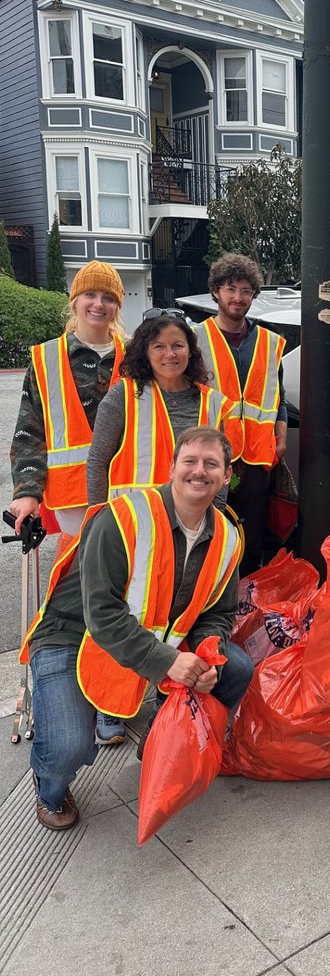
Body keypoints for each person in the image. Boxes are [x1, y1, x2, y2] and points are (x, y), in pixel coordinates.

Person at [22, 427, 253, 831]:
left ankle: (161, 740)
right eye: (191, 462)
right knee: (69, 747)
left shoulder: (228, 537)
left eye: (211, 464)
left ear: (225, 474)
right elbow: (102, 614)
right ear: (172, 467)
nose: (200, 472)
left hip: (151, 636)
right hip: (72, 635)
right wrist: (168, 662)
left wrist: (206, 653)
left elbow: (219, 611)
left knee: (235, 666)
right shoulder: (123, 517)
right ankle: (49, 788)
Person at [7, 260, 127, 746]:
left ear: (118, 306)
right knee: (82, 601)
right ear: (74, 302)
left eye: (108, 298)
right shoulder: (46, 359)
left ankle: (111, 701)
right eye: (90, 296)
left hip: (128, 497)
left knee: (121, 599)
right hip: (76, 501)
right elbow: (28, 433)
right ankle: (82, 695)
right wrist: (26, 493)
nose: (98, 305)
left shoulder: (134, 355)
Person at [191, 254, 287, 574]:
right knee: (208, 531)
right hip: (212, 455)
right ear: (216, 291)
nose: (238, 298)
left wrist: (281, 438)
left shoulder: (268, 341)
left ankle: (245, 600)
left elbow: (279, 396)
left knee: (252, 537)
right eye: (231, 288)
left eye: (246, 291)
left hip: (258, 459)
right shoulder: (195, 340)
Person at [86, 312, 243, 506]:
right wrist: (96, 518)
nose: (170, 354)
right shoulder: (122, 396)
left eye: (178, 345)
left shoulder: (214, 404)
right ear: (146, 353)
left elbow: (221, 468)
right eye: (159, 346)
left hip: (191, 524)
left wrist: (214, 518)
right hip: (131, 523)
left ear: (190, 351)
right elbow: (98, 462)